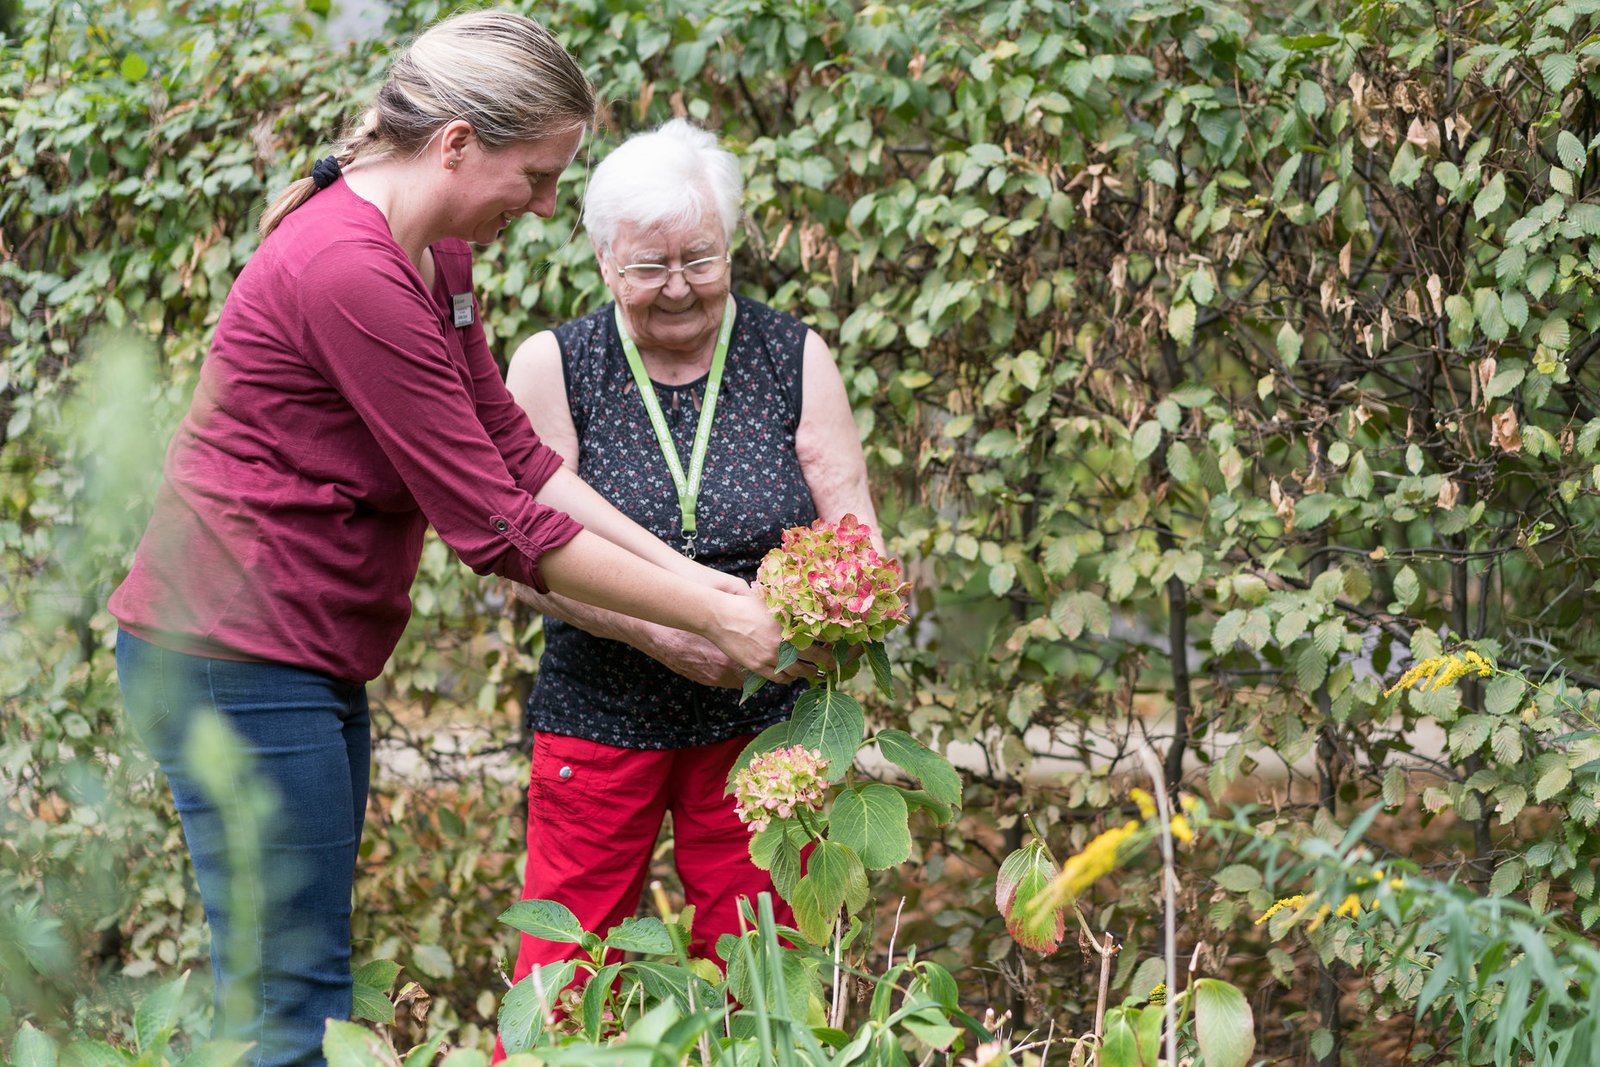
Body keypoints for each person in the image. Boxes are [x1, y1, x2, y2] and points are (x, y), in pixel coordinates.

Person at [108, 17, 798, 1067]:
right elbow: (497, 528)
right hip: (228, 652)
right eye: (536, 175)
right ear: (458, 142)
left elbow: (519, 455)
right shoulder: (349, 269)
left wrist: (693, 576)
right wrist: (716, 614)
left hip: (299, 653)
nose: (547, 205)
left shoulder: (436, 257)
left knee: (306, 978)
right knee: (290, 994)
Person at [500, 119, 881, 994]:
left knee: (764, 967)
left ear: (732, 248)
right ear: (603, 262)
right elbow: (522, 556)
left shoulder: (793, 355)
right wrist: (666, 631)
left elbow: (851, 515)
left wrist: (840, 624)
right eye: (649, 267)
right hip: (599, 709)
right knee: (567, 967)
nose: (679, 288)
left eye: (700, 259)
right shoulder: (554, 364)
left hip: (763, 720)